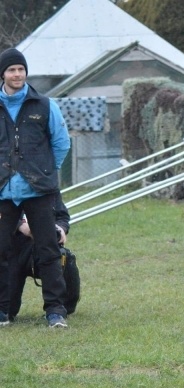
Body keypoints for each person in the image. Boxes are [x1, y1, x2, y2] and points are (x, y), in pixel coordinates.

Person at [0, 48, 71, 328]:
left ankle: (55, 311)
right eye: (12, 70)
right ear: (3, 74)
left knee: (49, 251)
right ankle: (3, 311)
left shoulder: (44, 104)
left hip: (38, 190)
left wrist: (46, 172)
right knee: (1, 251)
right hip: (4, 191)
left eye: (21, 69)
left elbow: (61, 143)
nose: (17, 74)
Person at [3, 191, 74, 321]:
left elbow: (62, 215)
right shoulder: (6, 182)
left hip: (42, 247)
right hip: (11, 251)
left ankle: (59, 309)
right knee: (7, 310)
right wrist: (21, 226)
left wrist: (61, 229)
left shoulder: (45, 184)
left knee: (64, 258)